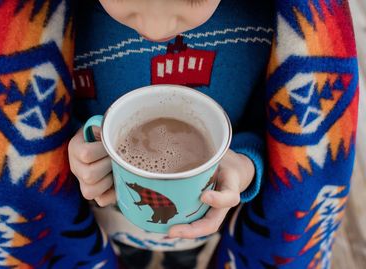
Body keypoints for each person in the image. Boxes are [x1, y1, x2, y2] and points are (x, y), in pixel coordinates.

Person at [68, 0, 273, 268]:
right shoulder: (65, 24)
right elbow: (51, 117)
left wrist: (246, 164)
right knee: (130, 258)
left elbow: (275, 129)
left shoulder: (265, 29)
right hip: (110, 221)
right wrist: (74, 149)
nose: (156, 29)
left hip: (200, 229)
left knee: (184, 260)